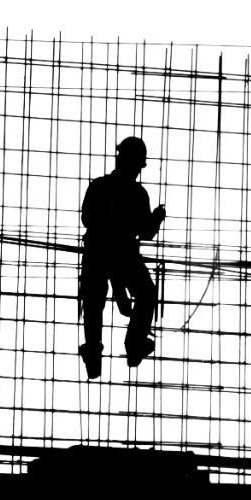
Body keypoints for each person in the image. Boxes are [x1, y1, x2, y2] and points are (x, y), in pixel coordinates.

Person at [78, 136, 166, 378]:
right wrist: (155, 218)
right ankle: (134, 344)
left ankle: (96, 352)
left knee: (94, 300)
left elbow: (87, 218)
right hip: (120, 251)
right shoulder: (137, 194)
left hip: (100, 250)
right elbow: (147, 232)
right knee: (144, 293)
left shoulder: (99, 186)